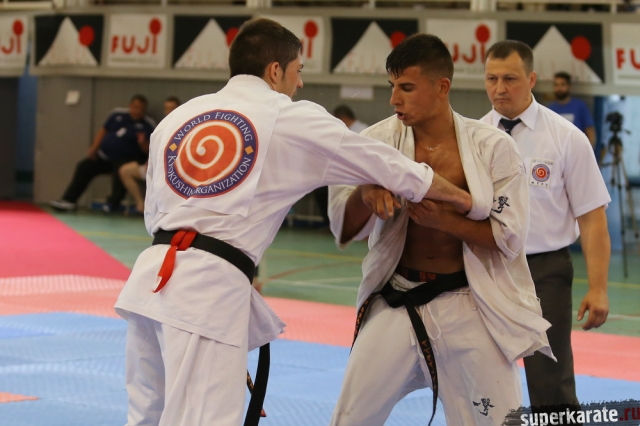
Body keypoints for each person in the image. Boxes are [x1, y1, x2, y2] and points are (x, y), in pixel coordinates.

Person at [114, 19, 472, 426]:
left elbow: (154, 214)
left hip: (149, 282)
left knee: (146, 416)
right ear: (275, 70)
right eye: (298, 70)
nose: (300, 83)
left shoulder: (177, 118)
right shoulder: (288, 116)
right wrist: (466, 199)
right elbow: (386, 164)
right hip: (205, 293)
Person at [328, 34, 553, 426]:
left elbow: (509, 238)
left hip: (469, 301)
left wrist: (445, 221)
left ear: (441, 87)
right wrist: (365, 193)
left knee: (497, 419)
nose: (394, 99)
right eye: (392, 86)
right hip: (398, 296)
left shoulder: (492, 147)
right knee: (350, 417)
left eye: (407, 88)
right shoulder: (374, 142)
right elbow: (343, 229)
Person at [480, 40, 611, 414]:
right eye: (492, 79)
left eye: (510, 79)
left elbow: (592, 217)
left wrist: (598, 288)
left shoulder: (566, 137)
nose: (500, 88)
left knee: (549, 379)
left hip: (545, 269)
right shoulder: (472, 135)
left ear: (531, 79)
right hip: (485, 265)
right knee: (480, 371)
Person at [49, 95, 156, 212]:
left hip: (126, 159)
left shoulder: (148, 124)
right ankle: (69, 200)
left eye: (141, 108)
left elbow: (150, 150)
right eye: (135, 107)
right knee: (84, 166)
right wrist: (94, 148)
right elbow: (103, 130)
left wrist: (142, 143)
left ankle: (112, 204)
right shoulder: (117, 115)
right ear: (130, 106)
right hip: (104, 157)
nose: (137, 111)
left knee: (121, 171)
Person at [119, 97, 181, 215]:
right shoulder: (161, 127)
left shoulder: (182, 128)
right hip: (155, 166)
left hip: (172, 168)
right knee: (125, 170)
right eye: (166, 108)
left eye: (172, 108)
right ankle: (141, 205)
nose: (169, 111)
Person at [547, 71, 596, 147]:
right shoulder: (550, 109)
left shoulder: (580, 106)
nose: (559, 88)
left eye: (562, 85)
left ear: (569, 86)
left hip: (577, 149)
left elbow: (590, 131)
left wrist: (589, 150)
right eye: (556, 85)